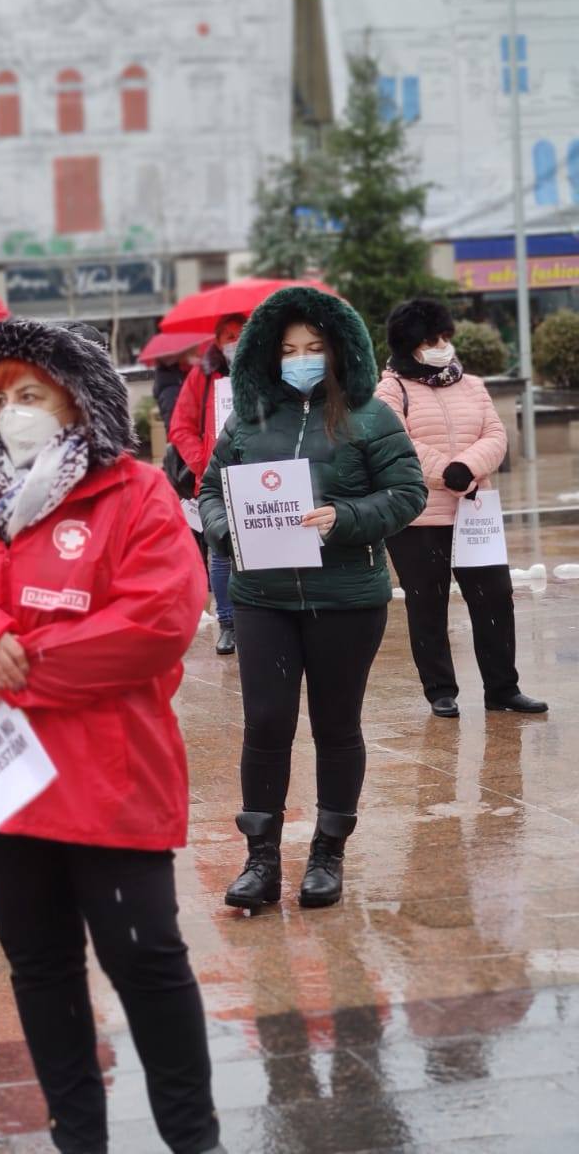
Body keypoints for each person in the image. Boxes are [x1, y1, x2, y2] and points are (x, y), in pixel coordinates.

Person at [0, 318, 220, 1154]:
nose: (10, 414)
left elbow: (159, 618)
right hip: (5, 779)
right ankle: (79, 1136)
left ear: (78, 399)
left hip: (111, 772)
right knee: (40, 967)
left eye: (29, 394)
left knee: (146, 960)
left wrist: (21, 662)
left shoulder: (133, 491)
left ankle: (194, 1138)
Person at [199, 287, 426, 912]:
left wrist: (343, 517)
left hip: (346, 596)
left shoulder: (370, 415)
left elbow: (408, 493)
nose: (301, 358)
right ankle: (261, 858)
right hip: (262, 597)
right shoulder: (247, 418)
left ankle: (328, 853)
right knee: (267, 723)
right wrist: (225, 527)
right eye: (289, 349)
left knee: (335, 724)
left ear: (337, 351)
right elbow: (210, 486)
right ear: (269, 357)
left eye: (314, 348)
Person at [375, 298, 546, 717]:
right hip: (418, 516)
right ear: (410, 344)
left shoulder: (472, 384)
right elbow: (395, 444)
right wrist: (443, 472)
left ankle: (503, 689)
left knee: (494, 598)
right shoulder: (390, 390)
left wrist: (466, 467)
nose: (441, 346)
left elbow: (495, 433)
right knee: (427, 602)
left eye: (445, 337)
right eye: (431, 340)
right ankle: (440, 690)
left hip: (474, 513)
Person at [169, 314, 246, 655]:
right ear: (215, 340)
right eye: (227, 335)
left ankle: (258, 619)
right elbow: (180, 426)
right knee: (220, 554)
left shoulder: (269, 373)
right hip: (213, 478)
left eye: (240, 334)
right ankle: (228, 623)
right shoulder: (203, 377)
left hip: (258, 474)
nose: (234, 341)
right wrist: (202, 461)